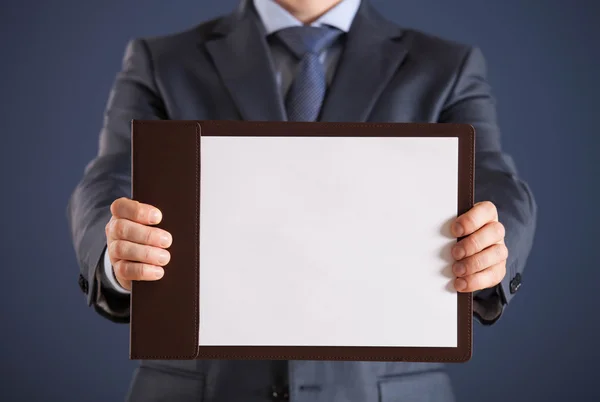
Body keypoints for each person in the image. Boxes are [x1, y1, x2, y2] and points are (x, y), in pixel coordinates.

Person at [67, 0, 537, 400]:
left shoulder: (445, 65)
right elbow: (109, 180)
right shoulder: (162, 60)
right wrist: (115, 252)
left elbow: (493, 180)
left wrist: (494, 244)